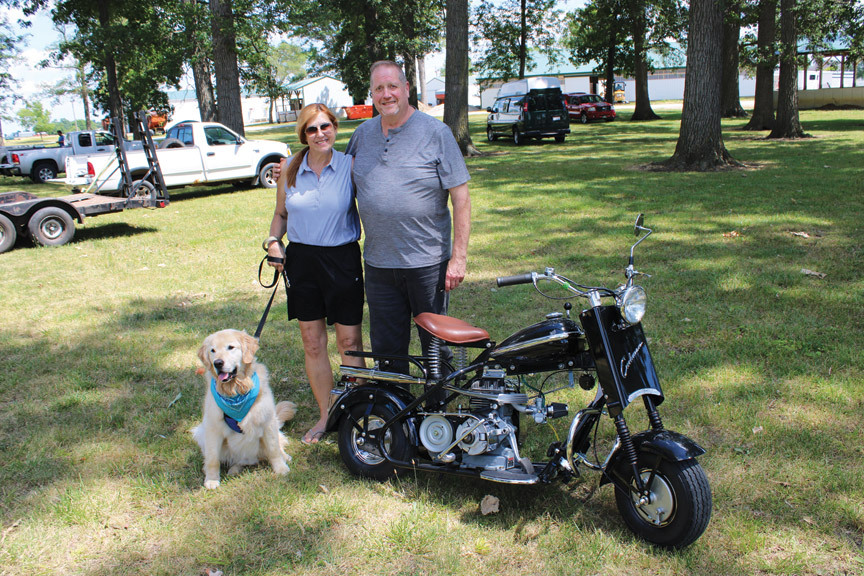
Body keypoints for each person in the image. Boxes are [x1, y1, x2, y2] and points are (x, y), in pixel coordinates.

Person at [346, 60, 471, 378]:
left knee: (436, 343)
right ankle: (393, 402)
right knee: (386, 349)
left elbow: (461, 198)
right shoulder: (361, 135)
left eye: (392, 86)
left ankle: (439, 402)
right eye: (378, 88)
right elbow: (332, 172)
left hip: (427, 263)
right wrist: (292, 165)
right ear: (372, 94)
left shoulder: (436, 133)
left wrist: (458, 258)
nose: (386, 94)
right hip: (379, 265)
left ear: (406, 88)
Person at [264, 103, 366, 445]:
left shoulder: (350, 166)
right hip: (302, 261)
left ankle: (358, 413)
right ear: (303, 134)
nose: (320, 134)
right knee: (312, 342)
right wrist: (273, 242)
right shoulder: (290, 167)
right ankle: (326, 415)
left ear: (335, 128)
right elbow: (280, 215)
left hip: (342, 259)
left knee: (349, 342)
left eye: (326, 126)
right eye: (312, 129)